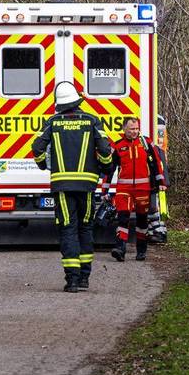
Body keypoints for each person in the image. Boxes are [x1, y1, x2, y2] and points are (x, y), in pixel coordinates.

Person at [31, 82, 112, 292]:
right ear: (77, 101)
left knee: (68, 229)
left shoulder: (53, 122)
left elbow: (37, 147)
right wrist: (106, 166)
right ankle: (84, 278)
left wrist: (42, 164)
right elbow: (105, 150)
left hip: (62, 186)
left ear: (59, 104)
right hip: (87, 185)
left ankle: (72, 280)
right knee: (85, 228)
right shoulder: (92, 120)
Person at [105, 117, 167, 262]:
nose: (135, 131)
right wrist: (105, 189)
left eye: (137, 129)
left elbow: (156, 163)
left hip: (143, 188)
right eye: (131, 129)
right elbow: (110, 169)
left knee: (142, 220)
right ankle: (120, 249)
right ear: (124, 129)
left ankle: (141, 251)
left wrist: (161, 182)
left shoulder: (146, 143)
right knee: (123, 217)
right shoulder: (118, 146)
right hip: (123, 189)